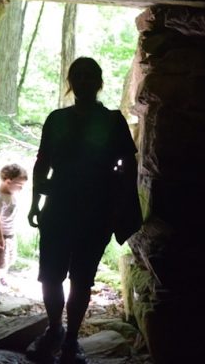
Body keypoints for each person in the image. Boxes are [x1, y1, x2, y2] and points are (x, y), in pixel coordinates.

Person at [26, 57, 139, 364]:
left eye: (91, 77)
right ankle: (55, 329)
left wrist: (120, 206)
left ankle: (71, 338)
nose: (85, 81)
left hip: (96, 210)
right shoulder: (56, 119)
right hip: (60, 208)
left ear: (99, 83)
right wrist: (35, 201)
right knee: (50, 276)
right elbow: (42, 162)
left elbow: (129, 165)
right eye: (79, 76)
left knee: (81, 278)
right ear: (71, 81)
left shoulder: (113, 121)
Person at [0, 163, 28, 291]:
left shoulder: (11, 195)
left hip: (10, 233)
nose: (21, 188)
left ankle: (2, 277)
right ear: (8, 181)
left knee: (10, 257)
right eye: (19, 185)